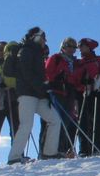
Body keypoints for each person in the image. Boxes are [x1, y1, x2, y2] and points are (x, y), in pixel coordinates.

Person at [8, 27, 63, 163]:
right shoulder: (26, 50)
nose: (45, 41)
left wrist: (45, 88)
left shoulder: (37, 52)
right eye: (43, 37)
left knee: (55, 119)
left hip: (38, 94)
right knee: (26, 124)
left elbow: (38, 75)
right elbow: (27, 74)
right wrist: (42, 88)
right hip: (27, 93)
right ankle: (14, 157)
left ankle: (50, 152)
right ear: (36, 37)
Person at [46, 37, 81, 156]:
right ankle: (52, 149)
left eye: (73, 47)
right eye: (69, 46)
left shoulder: (75, 62)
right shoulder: (56, 58)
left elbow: (76, 79)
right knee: (58, 119)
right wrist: (57, 78)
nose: (71, 49)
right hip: (57, 91)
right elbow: (48, 73)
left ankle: (62, 148)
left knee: (67, 120)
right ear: (63, 47)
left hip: (70, 92)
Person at [75, 38, 100, 156]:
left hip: (96, 92)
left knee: (96, 120)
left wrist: (98, 80)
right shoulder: (79, 62)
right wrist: (82, 86)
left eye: (82, 46)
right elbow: (76, 78)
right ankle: (84, 149)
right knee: (83, 121)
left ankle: (97, 146)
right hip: (82, 93)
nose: (79, 49)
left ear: (89, 47)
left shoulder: (98, 60)